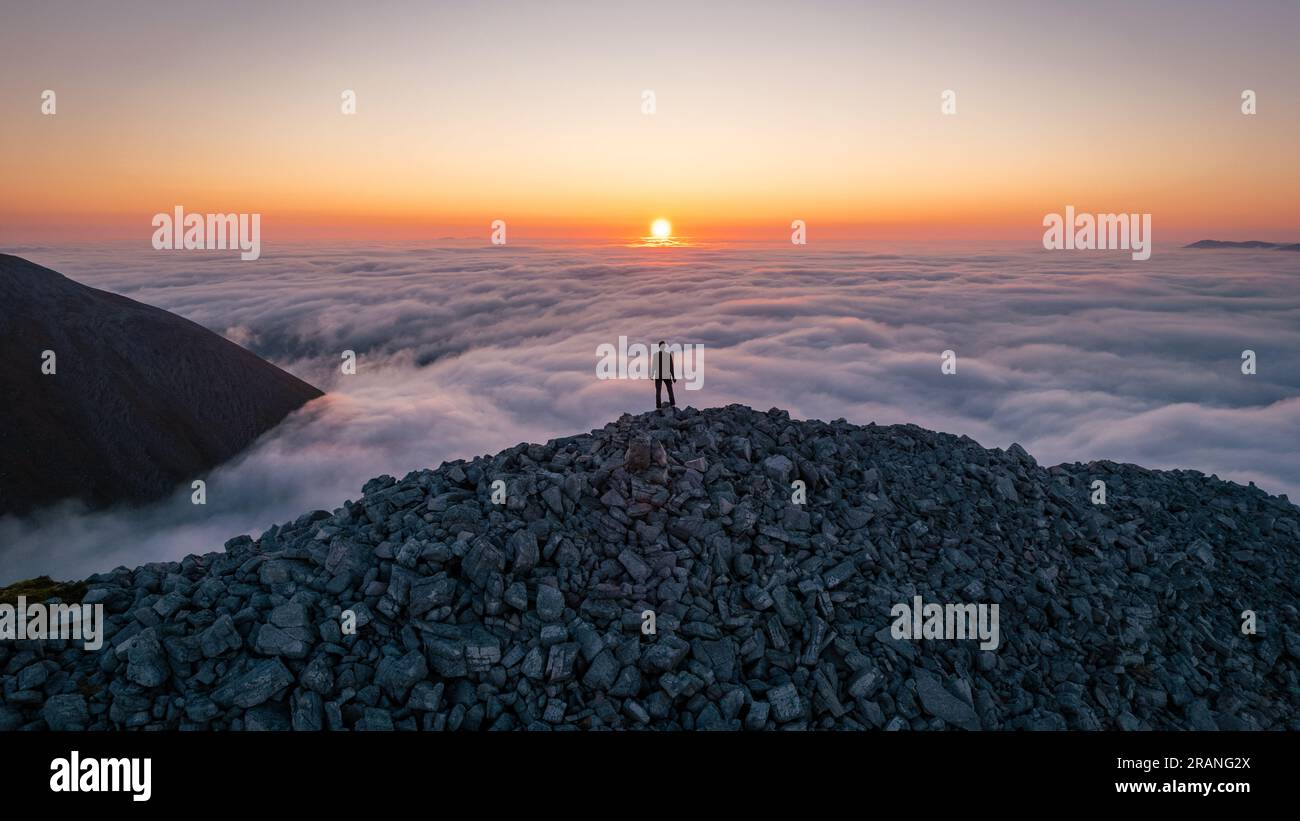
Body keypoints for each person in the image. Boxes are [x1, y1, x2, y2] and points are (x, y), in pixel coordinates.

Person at [652, 340, 677, 409]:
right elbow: (671, 367)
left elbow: (654, 366)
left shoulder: (656, 355)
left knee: (658, 392)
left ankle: (658, 408)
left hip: (658, 375)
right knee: (670, 390)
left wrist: (652, 374)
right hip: (666, 375)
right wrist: (673, 377)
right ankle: (673, 405)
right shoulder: (668, 355)